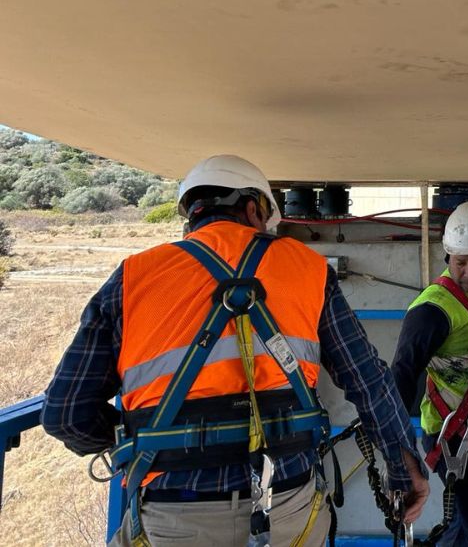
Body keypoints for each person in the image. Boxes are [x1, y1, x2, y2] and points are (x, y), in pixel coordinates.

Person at [42, 154, 429, 546]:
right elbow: (369, 380)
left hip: (176, 512)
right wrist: (402, 466)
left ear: (191, 216)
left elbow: (65, 414)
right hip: (286, 505)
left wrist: (147, 440)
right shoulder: (309, 269)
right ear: (252, 209)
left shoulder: (133, 277)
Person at [392, 200, 468, 547]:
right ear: (448, 258)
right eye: (461, 264)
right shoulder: (434, 309)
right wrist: (400, 450)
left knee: (466, 527)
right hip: (456, 438)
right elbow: (401, 373)